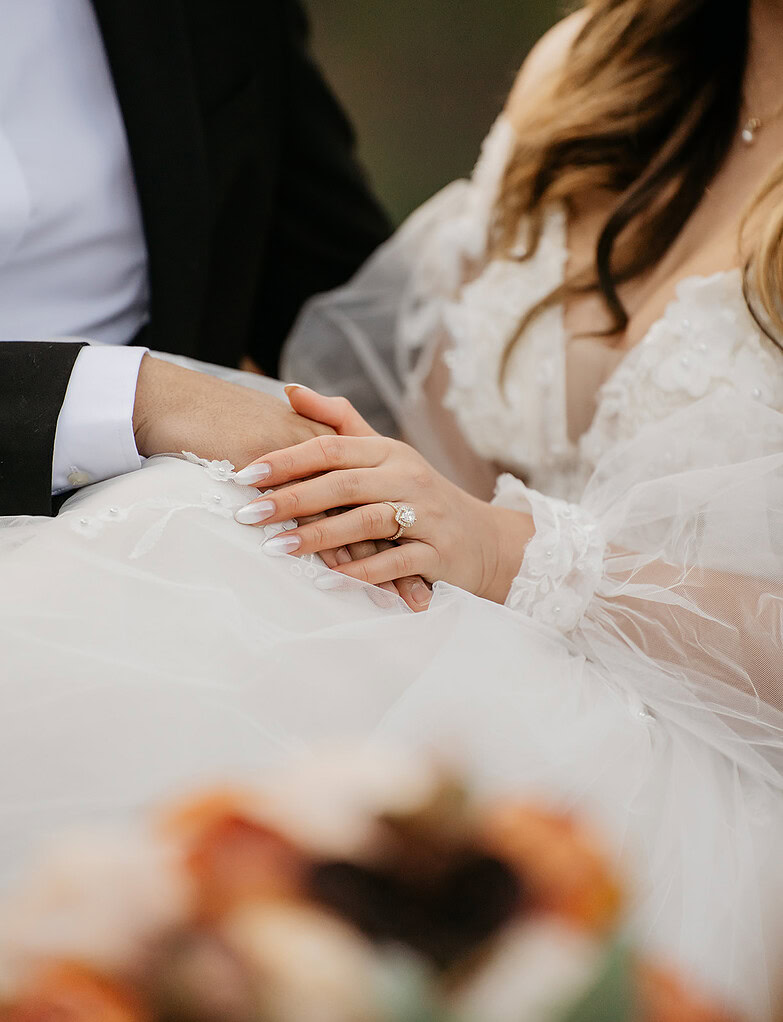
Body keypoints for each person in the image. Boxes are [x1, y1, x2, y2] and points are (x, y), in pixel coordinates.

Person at [2, 0, 783, 1017]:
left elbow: (485, 529)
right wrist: (375, 495)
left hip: (702, 773)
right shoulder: (596, 68)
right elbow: (435, 445)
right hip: (458, 647)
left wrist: (520, 554)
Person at [0, 0, 390, 517]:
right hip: (176, 470)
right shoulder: (158, 401)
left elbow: (343, 291)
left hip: (192, 524)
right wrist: (141, 398)